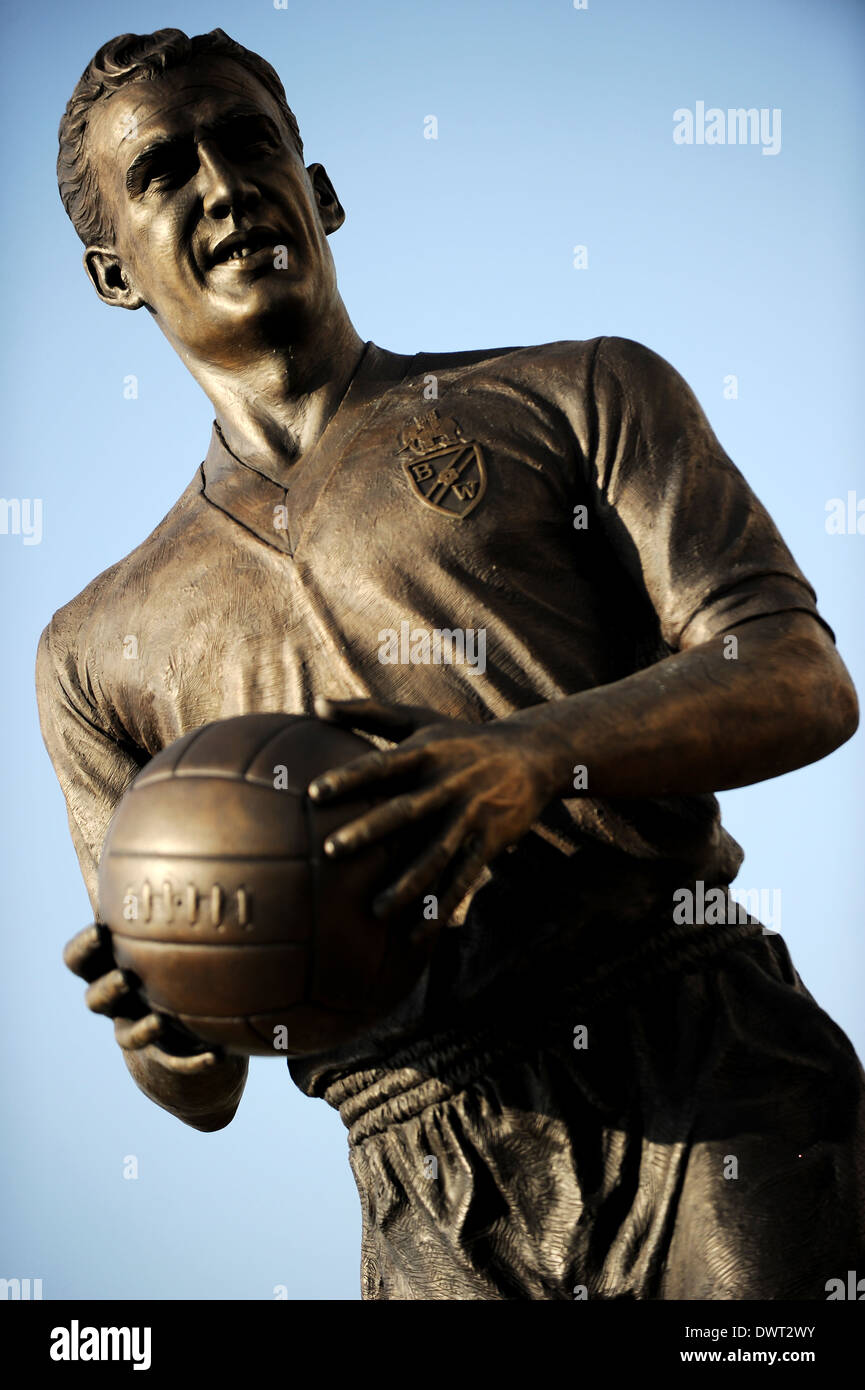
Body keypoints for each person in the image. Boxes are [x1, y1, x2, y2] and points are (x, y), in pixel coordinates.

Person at [38, 27, 865, 1299]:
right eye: (164, 172)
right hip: (420, 1179)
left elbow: (800, 677)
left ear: (320, 193)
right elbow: (196, 1090)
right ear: (112, 276)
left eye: (251, 142)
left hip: (702, 1068)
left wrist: (533, 755)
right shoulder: (93, 650)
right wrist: (169, 1021)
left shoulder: (576, 391)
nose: (222, 185)